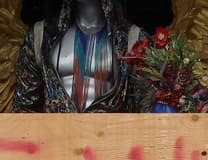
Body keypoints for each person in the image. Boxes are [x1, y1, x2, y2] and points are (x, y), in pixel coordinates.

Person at [13, 0, 147, 113]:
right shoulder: (40, 37)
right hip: (56, 133)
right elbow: (24, 108)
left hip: (109, 133)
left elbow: (144, 110)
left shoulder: (134, 41)